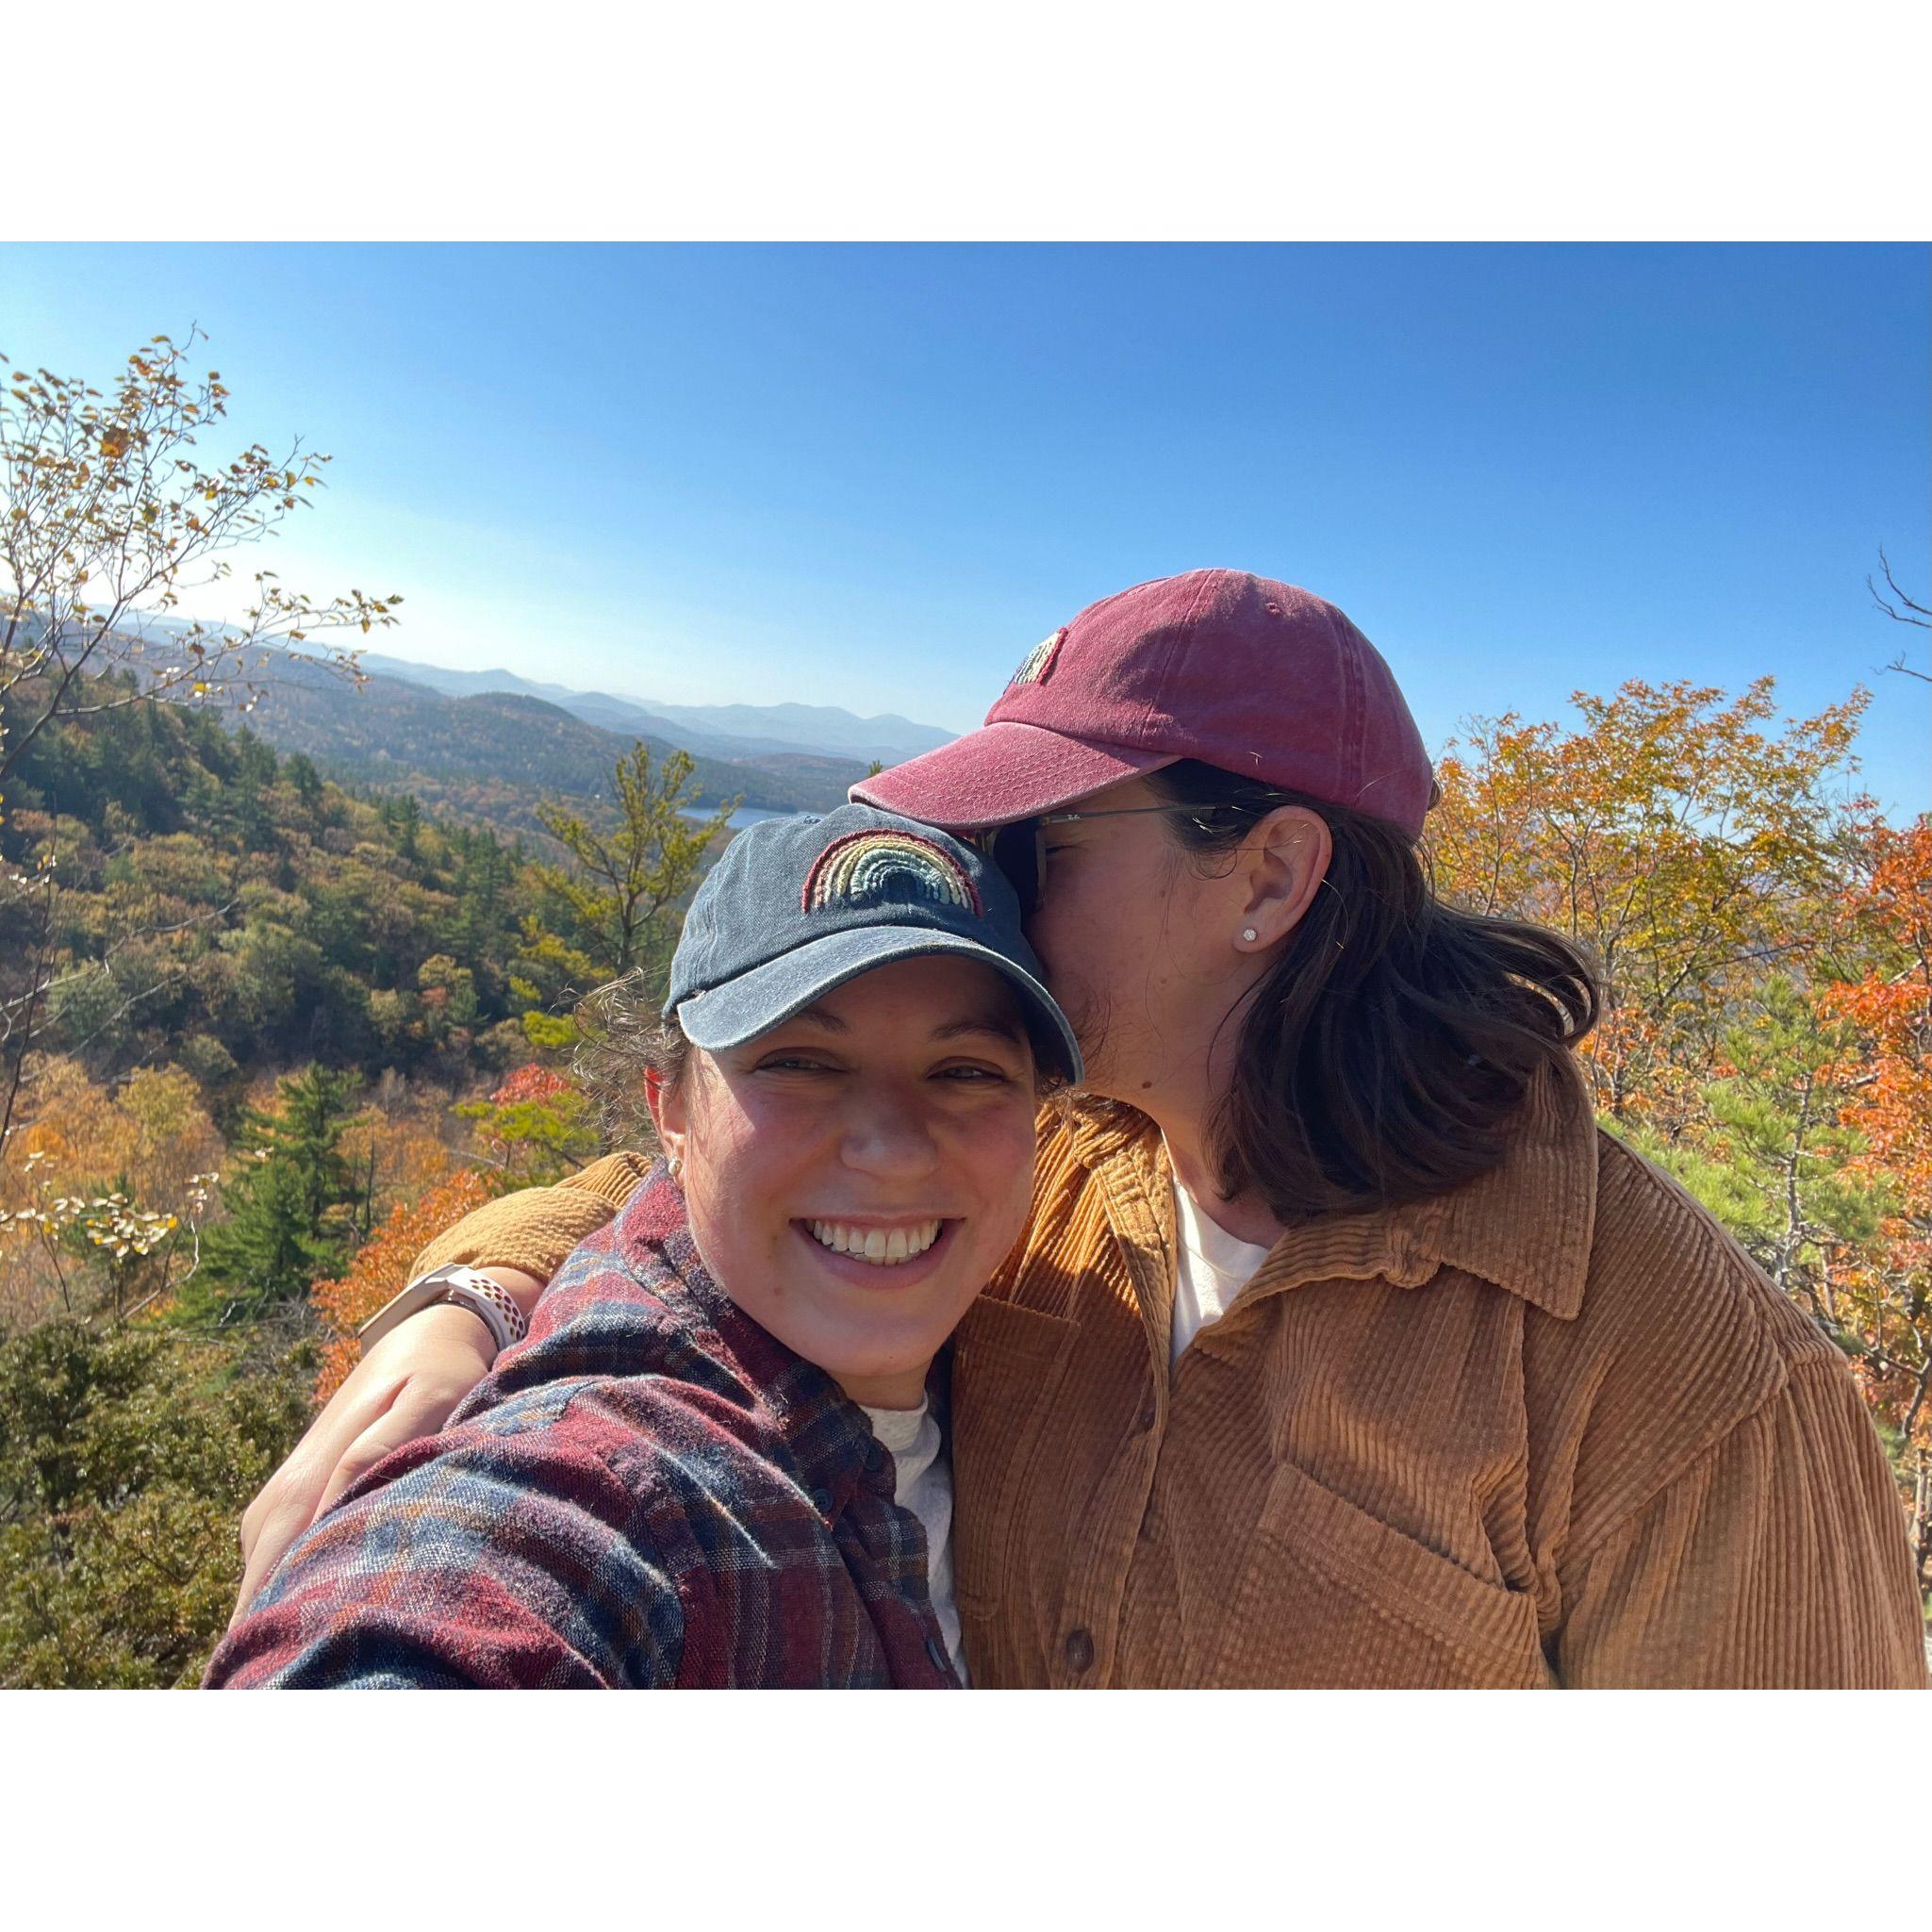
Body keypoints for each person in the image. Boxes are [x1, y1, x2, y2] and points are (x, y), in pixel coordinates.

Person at [236, 569, 1929, 1688]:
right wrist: (469, 1296)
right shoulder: (1062, 1149)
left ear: (1265, 874)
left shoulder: (1671, 1382)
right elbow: (725, 1159)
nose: (988, 892)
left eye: (1042, 837)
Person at [208, 805, 1081, 1686]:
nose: (892, 1149)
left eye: (967, 1072)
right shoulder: (630, 1484)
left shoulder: (1043, 1317)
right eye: (800, 1062)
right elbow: (478, 1591)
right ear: (671, 1110)